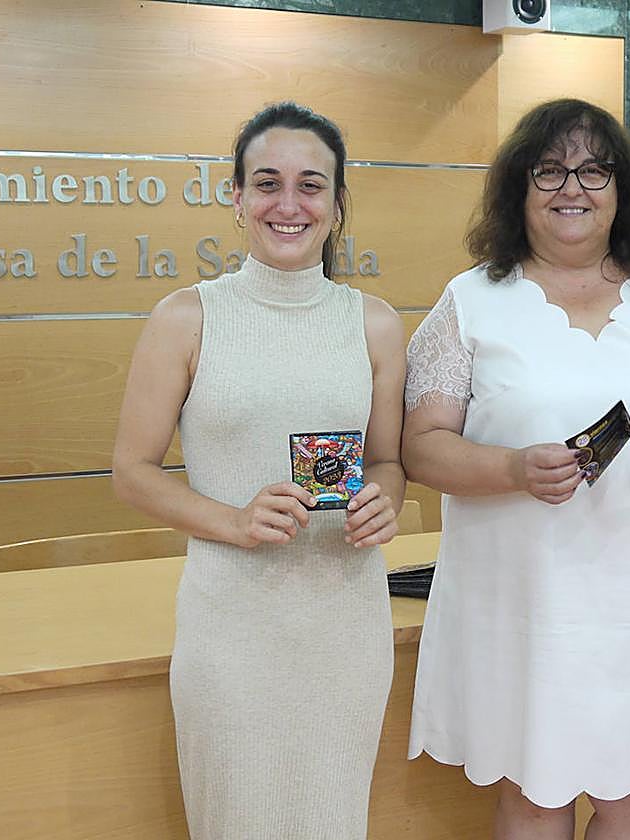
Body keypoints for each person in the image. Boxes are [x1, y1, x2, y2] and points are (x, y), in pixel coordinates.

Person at [402, 98, 630, 840]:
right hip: (524, 599)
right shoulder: (471, 302)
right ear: (517, 190)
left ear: (621, 190)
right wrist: (512, 468)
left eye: (594, 171)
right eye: (550, 170)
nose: (572, 187)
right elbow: (421, 445)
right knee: (536, 799)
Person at [112, 101, 405, 839]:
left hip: (345, 628)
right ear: (236, 197)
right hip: (231, 631)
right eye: (267, 182)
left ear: (337, 206)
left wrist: (384, 501)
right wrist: (234, 522)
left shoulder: (372, 323)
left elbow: (389, 460)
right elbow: (132, 470)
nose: (288, 203)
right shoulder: (187, 316)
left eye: (311, 186)